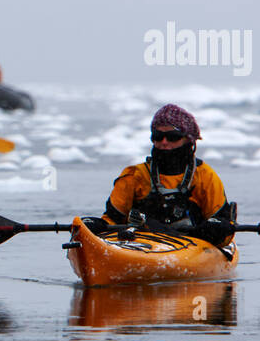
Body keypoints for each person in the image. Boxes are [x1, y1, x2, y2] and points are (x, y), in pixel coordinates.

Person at [97, 104, 233, 244]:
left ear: (188, 139)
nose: (164, 142)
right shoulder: (134, 175)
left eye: (172, 137)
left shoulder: (205, 176)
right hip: (140, 242)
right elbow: (112, 220)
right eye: (158, 136)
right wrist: (96, 225)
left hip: (193, 243)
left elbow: (224, 225)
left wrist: (218, 229)